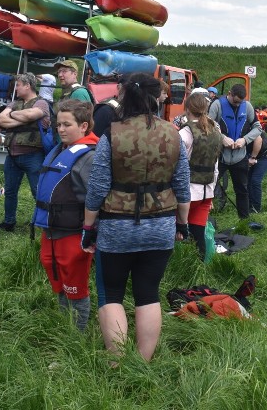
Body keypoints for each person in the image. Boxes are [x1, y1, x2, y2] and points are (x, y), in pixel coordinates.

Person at [82, 72, 191, 362]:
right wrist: (182, 224)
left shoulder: (112, 134)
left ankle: (116, 363)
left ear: (125, 95)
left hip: (116, 226)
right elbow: (182, 186)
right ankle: (142, 363)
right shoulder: (173, 133)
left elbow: (97, 187)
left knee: (112, 294)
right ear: (157, 97)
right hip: (161, 224)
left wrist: (88, 226)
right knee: (148, 293)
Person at [34, 99, 100, 331]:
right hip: (51, 231)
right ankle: (65, 327)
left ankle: (76, 337)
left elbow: (97, 198)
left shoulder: (89, 157)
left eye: (66, 124)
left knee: (75, 288)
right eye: (58, 124)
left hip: (73, 233)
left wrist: (92, 234)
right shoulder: (59, 150)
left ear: (84, 126)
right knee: (59, 284)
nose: (60, 129)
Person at [0, 72, 50, 231]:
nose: (16, 88)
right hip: (12, 155)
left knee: (38, 191)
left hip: (33, 155)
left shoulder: (41, 103)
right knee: (10, 191)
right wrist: (21, 117)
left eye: (18, 85)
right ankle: (9, 222)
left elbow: (32, 114)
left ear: (28, 86)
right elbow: (0, 120)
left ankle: (44, 223)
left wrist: (11, 116)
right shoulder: (14, 103)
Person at [177, 92, 223, 258]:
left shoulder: (185, 133)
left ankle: (178, 268)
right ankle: (200, 269)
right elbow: (215, 166)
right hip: (206, 193)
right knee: (198, 236)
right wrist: (211, 191)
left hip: (188, 194)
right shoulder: (215, 130)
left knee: (178, 233)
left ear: (187, 109)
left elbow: (178, 168)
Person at [208, 84, 261, 219]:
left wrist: (245, 140)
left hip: (240, 156)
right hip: (219, 156)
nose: (237, 104)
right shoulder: (217, 105)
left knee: (242, 190)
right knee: (209, 186)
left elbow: (257, 128)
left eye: (240, 102)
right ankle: (203, 221)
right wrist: (222, 138)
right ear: (229, 94)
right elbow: (207, 126)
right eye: (235, 101)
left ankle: (244, 221)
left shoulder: (247, 106)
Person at [247, 130, 267, 213]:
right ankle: (248, 204)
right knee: (248, 180)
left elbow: (258, 140)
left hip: (265, 156)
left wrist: (252, 158)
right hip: (251, 153)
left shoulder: (250, 125)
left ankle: (256, 208)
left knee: (255, 180)